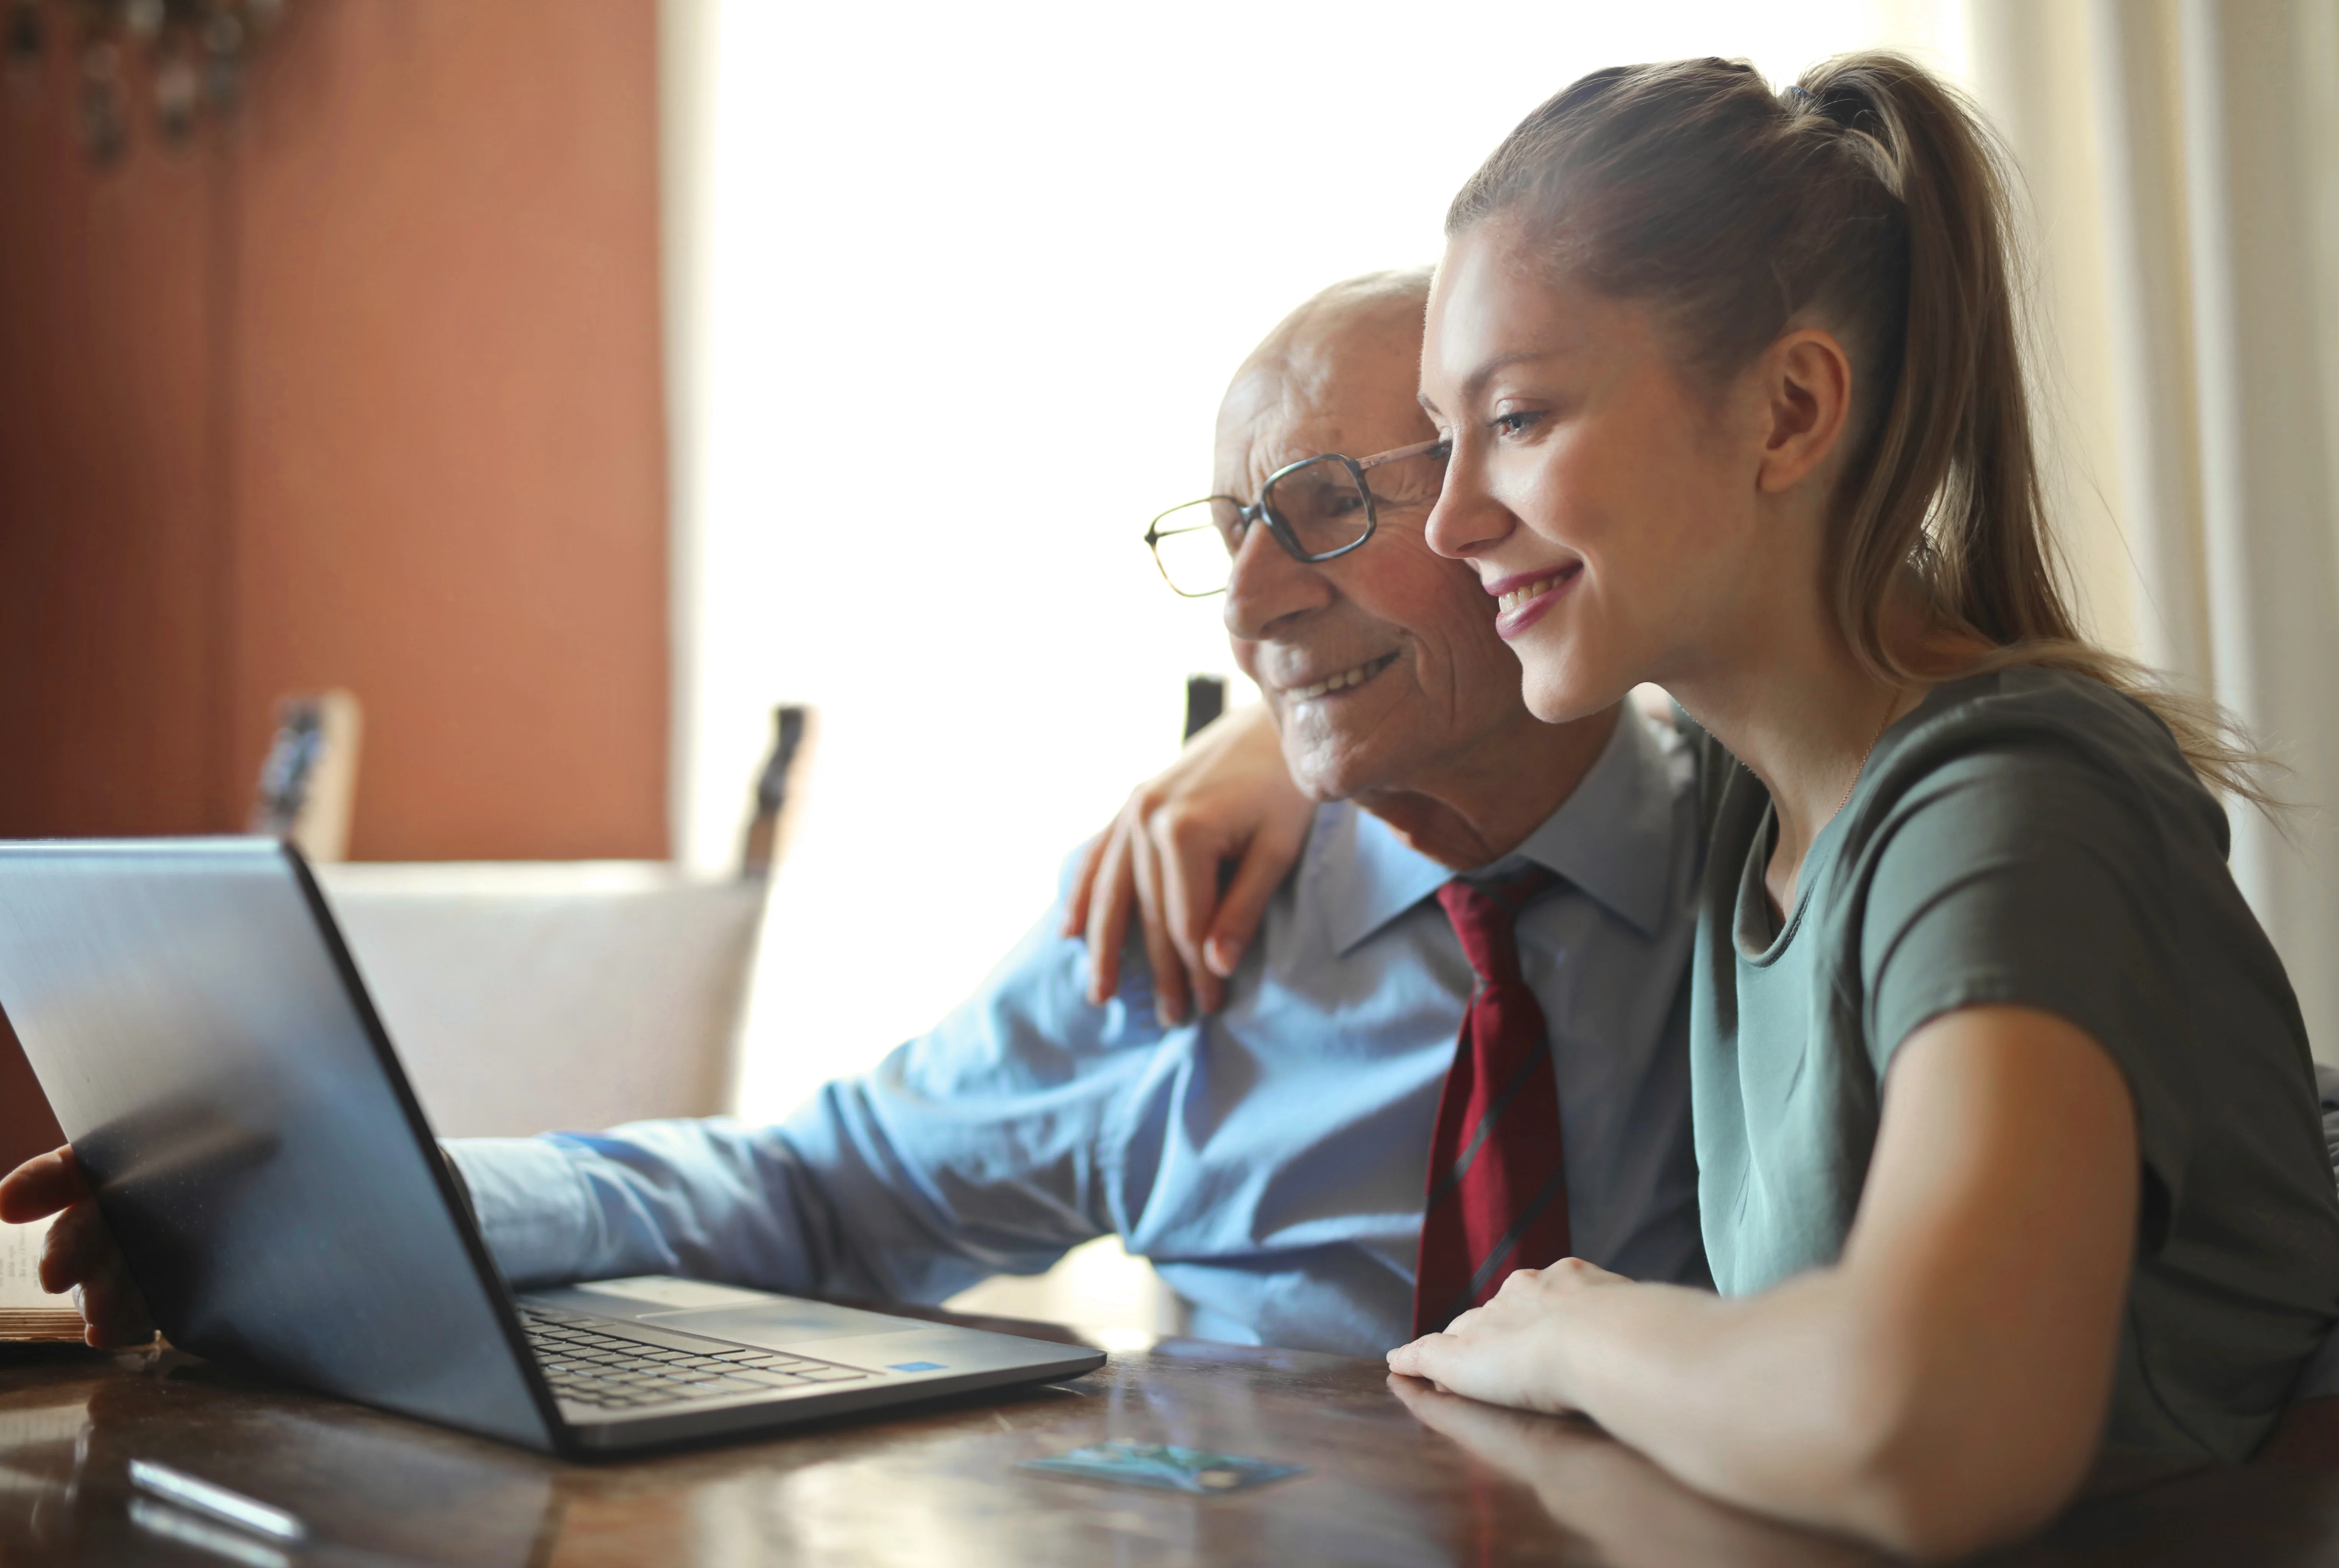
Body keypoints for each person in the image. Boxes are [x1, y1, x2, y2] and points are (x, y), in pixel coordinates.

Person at [1076, 52, 2339, 1559]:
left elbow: (1927, 1429)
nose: (1460, 514)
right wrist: (1284, 747)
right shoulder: (1769, 803)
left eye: (1522, 420)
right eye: (1443, 434)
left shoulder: (2014, 820)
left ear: (1791, 411)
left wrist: (1569, 1328)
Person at [0, 268, 1710, 1361]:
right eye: (1231, 525)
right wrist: (381, 1197)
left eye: (1326, 506)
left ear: (1519, 497)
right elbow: (822, 1191)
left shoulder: (1787, 851)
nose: (1247, 604)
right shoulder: (1181, 919)